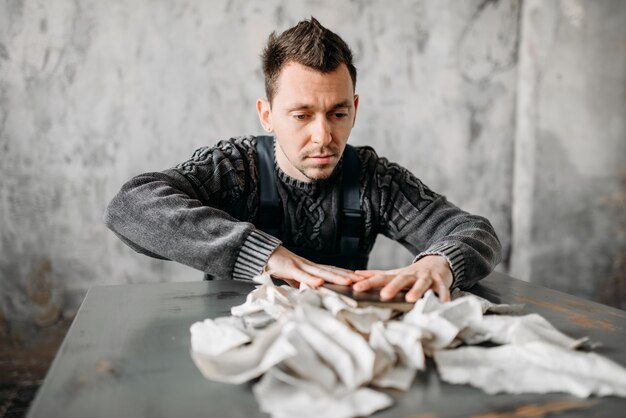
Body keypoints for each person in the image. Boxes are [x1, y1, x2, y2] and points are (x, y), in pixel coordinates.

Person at [104, 17, 501, 303]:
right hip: (235, 345)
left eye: (338, 113)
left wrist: (440, 262)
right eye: (302, 115)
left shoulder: (372, 179)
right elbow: (130, 207)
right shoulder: (233, 168)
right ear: (267, 115)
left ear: (355, 109)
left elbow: (472, 230)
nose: (324, 135)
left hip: (339, 347)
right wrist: (263, 255)